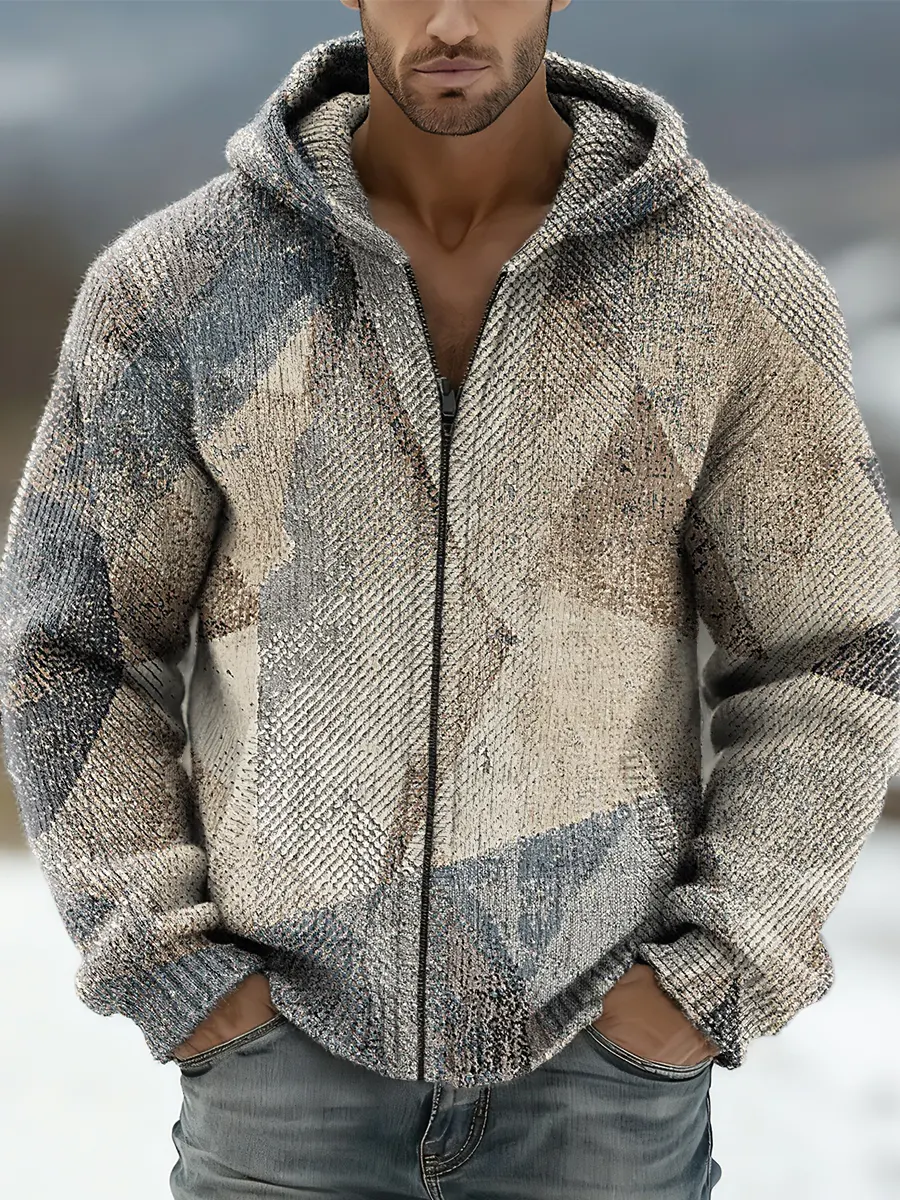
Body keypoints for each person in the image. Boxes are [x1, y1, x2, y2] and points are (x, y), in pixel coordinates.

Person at [1, 1, 897, 1197]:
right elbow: (72, 646)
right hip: (281, 1083)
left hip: (603, 1090)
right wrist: (175, 970)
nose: (453, 20)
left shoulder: (730, 287)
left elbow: (832, 655)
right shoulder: (178, 283)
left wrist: (709, 974)